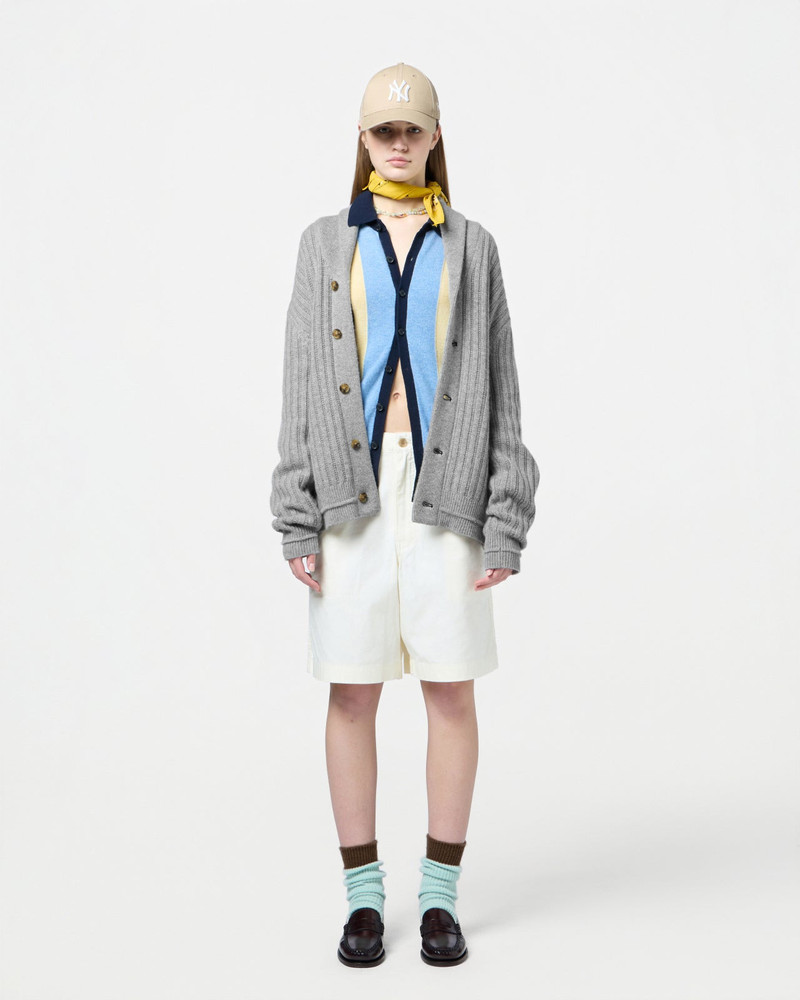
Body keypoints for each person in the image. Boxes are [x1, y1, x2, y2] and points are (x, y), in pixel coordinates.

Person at [270, 62, 540, 967]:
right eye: (382, 130)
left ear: (433, 137)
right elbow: (302, 379)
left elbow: (501, 384)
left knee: (450, 689)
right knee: (352, 691)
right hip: (348, 490)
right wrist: (295, 510)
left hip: (446, 492)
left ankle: (438, 899)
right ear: (362, 138)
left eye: (411, 129)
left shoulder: (473, 245)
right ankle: (362, 900)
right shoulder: (322, 244)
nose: (397, 142)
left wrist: (505, 513)